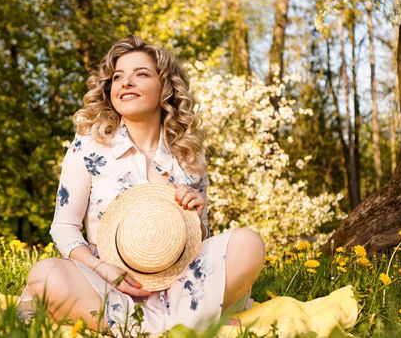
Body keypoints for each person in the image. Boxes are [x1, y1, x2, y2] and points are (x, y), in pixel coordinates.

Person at [18, 35, 265, 335]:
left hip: (179, 287)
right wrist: (103, 270)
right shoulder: (87, 147)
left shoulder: (188, 153)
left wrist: (196, 216)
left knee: (248, 243)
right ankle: (184, 326)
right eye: (118, 77)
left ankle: (150, 327)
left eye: (141, 74)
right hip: (109, 285)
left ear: (166, 87)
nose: (126, 83)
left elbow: (199, 242)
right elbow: (63, 227)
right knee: (46, 274)